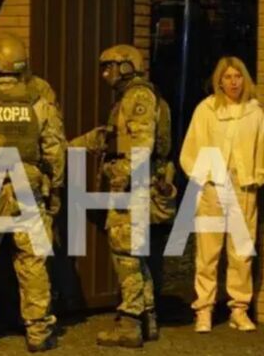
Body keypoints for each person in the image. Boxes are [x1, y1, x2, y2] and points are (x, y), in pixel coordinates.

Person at [0, 34, 65, 352]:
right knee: (33, 262)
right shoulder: (39, 100)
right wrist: (55, 187)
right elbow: (55, 149)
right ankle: (38, 331)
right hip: (28, 189)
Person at [71, 44, 177, 348]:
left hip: (133, 188)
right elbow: (109, 137)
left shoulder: (138, 96)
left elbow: (141, 144)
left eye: (110, 67)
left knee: (125, 255)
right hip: (135, 185)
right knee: (135, 253)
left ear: (127, 66)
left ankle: (130, 323)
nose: (105, 74)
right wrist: (71, 146)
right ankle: (148, 317)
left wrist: (122, 177)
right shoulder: (128, 98)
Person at [179, 55, 264, 333]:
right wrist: (205, 178)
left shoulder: (253, 112)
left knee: (241, 251)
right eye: (228, 77)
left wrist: (256, 177)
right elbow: (192, 147)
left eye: (237, 76)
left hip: (243, 186)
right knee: (208, 251)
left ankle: (239, 308)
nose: (233, 82)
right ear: (219, 81)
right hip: (214, 186)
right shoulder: (207, 109)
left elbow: (263, 148)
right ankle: (204, 309)